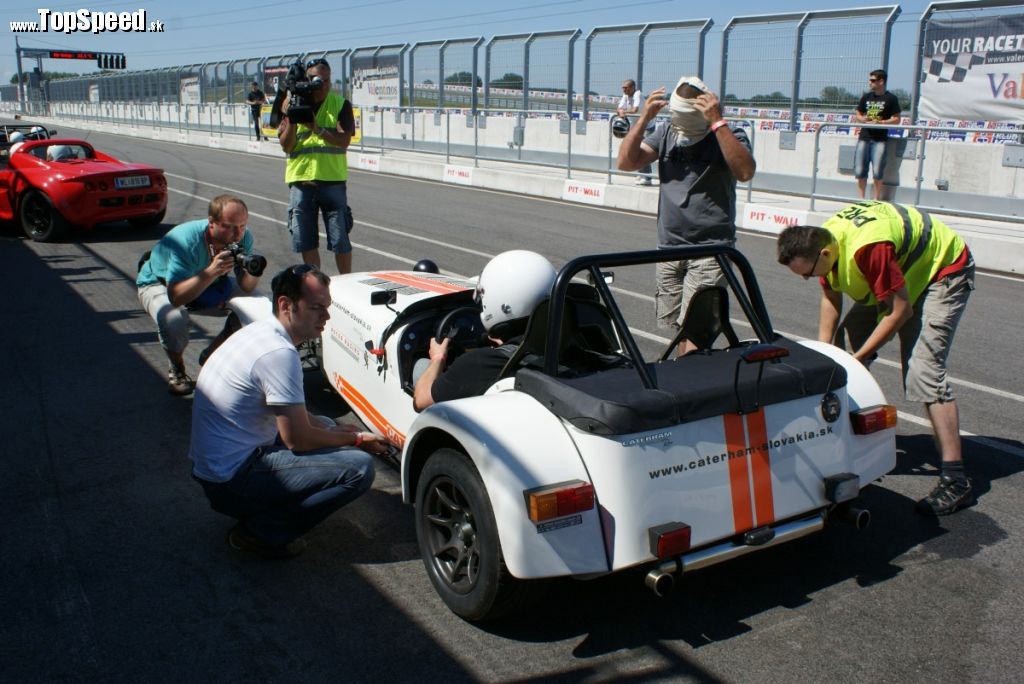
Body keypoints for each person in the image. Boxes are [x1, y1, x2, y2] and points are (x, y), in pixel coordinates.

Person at [776, 201, 975, 516]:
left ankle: (955, 478)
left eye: (808, 273)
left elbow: (900, 311)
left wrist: (858, 359)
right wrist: (824, 357)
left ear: (825, 254)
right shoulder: (824, 241)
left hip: (940, 270)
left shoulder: (867, 249)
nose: (806, 279)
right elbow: (830, 299)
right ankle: (840, 436)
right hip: (900, 270)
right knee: (848, 338)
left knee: (923, 370)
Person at [189, 264, 388, 558]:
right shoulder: (279, 354)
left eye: (327, 307)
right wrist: (357, 439)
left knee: (324, 422)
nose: (327, 317)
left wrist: (333, 430)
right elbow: (298, 440)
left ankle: (264, 507)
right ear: (286, 304)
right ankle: (260, 532)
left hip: (216, 470)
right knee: (359, 468)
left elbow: (295, 418)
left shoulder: (260, 332)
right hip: (231, 481)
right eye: (317, 308)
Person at [616, 75, 756, 356]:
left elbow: (745, 172)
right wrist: (643, 119)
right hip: (669, 246)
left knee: (697, 331)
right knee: (677, 328)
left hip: (710, 249)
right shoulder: (667, 132)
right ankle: (684, 376)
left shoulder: (730, 135)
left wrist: (718, 123)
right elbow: (626, 162)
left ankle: (684, 385)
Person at [137, 195, 266, 395]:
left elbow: (247, 287)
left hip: (209, 282)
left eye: (242, 226)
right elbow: (176, 298)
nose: (237, 233)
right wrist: (212, 271)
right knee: (174, 319)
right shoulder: (186, 241)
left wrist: (252, 271)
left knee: (257, 304)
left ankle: (212, 356)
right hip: (159, 282)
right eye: (230, 226)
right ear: (211, 223)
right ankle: (177, 368)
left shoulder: (243, 236)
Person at [414, 250, 556, 411]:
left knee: (420, 367)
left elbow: (421, 400)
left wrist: (437, 357)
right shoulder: (564, 345)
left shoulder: (481, 364)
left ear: (502, 305)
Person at [278, 57, 356, 275]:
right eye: (316, 80)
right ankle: (315, 284)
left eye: (326, 80)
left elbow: (344, 141)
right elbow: (286, 146)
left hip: (332, 181)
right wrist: (292, 118)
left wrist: (316, 128)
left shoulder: (340, 105)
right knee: (306, 240)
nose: (322, 85)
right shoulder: (291, 102)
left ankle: (346, 282)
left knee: (340, 239)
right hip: (301, 181)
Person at [854, 69, 901, 200]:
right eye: (870, 80)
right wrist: (861, 119)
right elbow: (858, 113)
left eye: (873, 80)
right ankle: (861, 199)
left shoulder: (891, 98)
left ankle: (876, 200)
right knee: (860, 170)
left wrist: (881, 122)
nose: (870, 83)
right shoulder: (866, 97)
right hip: (864, 138)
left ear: (881, 81)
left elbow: (897, 119)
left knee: (878, 171)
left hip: (880, 140)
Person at [617, 79, 652, 185]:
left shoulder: (637, 94)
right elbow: (618, 108)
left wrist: (623, 112)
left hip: (648, 126)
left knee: (642, 150)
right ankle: (642, 173)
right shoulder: (625, 95)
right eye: (623, 87)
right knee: (634, 149)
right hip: (637, 127)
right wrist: (620, 111)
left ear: (632, 87)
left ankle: (647, 178)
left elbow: (634, 110)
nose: (623, 89)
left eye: (626, 87)